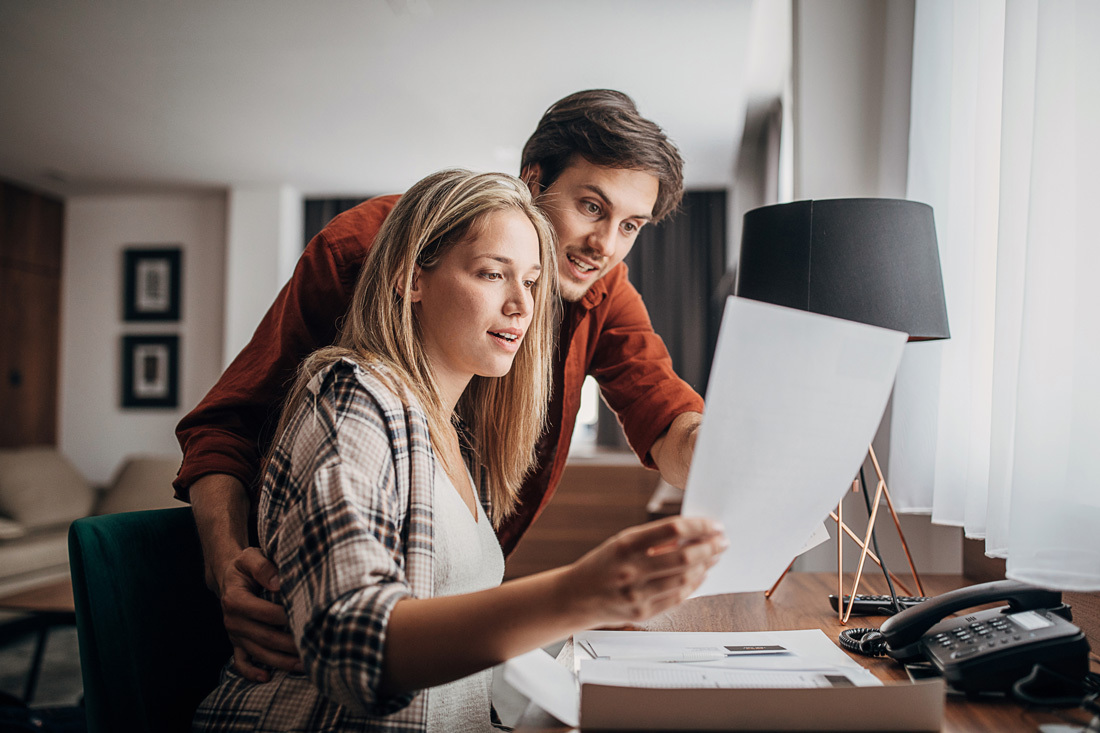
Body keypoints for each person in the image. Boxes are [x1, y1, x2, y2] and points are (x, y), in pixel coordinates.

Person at [175, 89, 707, 682]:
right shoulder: (366, 268)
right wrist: (224, 563)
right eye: (590, 207)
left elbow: (665, 412)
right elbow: (230, 422)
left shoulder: (603, 290)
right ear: (533, 179)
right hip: (300, 621)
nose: (605, 246)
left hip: (446, 632)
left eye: (630, 226)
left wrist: (726, 456)